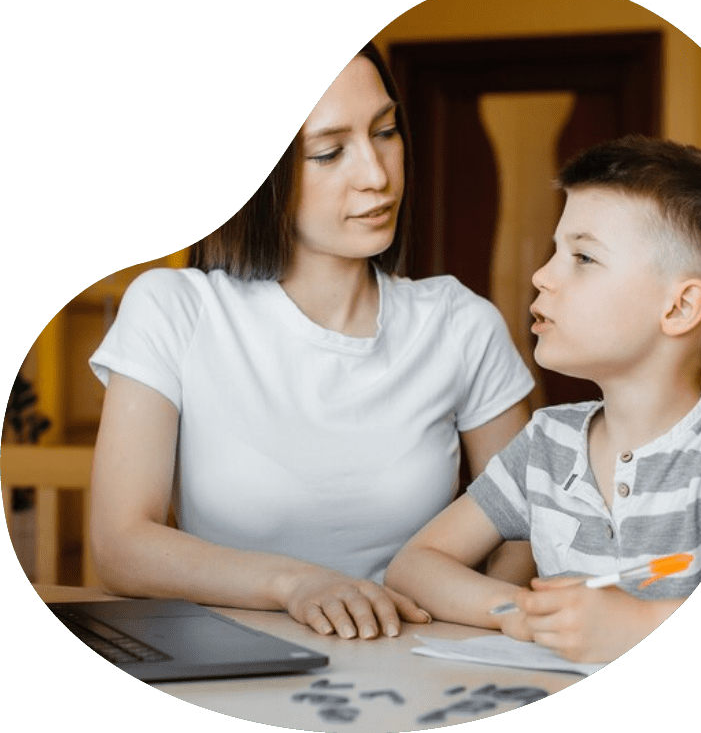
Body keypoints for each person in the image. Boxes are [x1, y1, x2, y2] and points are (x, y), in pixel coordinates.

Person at [87, 42, 535, 640]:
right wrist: (295, 584)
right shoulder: (175, 308)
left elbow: (525, 525)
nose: (376, 176)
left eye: (386, 132)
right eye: (328, 152)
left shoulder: (460, 322)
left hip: (419, 666)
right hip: (230, 667)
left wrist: (484, 627)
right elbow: (119, 547)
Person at [385, 135, 701, 662]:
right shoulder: (547, 443)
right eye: (556, 251)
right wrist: (525, 614)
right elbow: (415, 565)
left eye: (583, 256)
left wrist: (643, 624)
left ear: (681, 307)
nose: (542, 275)